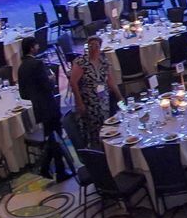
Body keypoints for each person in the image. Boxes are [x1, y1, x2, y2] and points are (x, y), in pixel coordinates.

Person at [16, 36, 73, 180]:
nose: (38, 47)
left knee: (51, 138)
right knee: (56, 137)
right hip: (48, 105)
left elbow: (23, 94)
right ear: (31, 48)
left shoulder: (21, 68)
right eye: (36, 45)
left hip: (38, 107)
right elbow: (48, 87)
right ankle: (59, 171)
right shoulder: (38, 64)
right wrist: (51, 80)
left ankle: (46, 167)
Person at [67, 32, 114, 141]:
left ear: (100, 47)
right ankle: (95, 146)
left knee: (106, 124)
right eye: (90, 46)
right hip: (88, 99)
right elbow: (73, 83)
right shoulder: (81, 62)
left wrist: (120, 98)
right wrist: (79, 103)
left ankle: (105, 145)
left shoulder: (104, 62)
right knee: (93, 128)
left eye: (96, 46)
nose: (93, 48)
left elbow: (111, 82)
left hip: (103, 99)